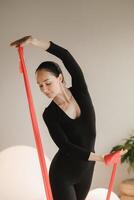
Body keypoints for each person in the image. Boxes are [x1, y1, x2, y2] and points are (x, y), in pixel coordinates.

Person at [10, 36, 127, 200]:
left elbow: (65, 55)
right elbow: (66, 147)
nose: (44, 89)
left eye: (47, 82)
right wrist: (101, 158)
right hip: (63, 175)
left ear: (60, 78)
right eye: (40, 85)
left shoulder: (81, 92)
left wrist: (33, 41)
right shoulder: (49, 114)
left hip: (86, 170)